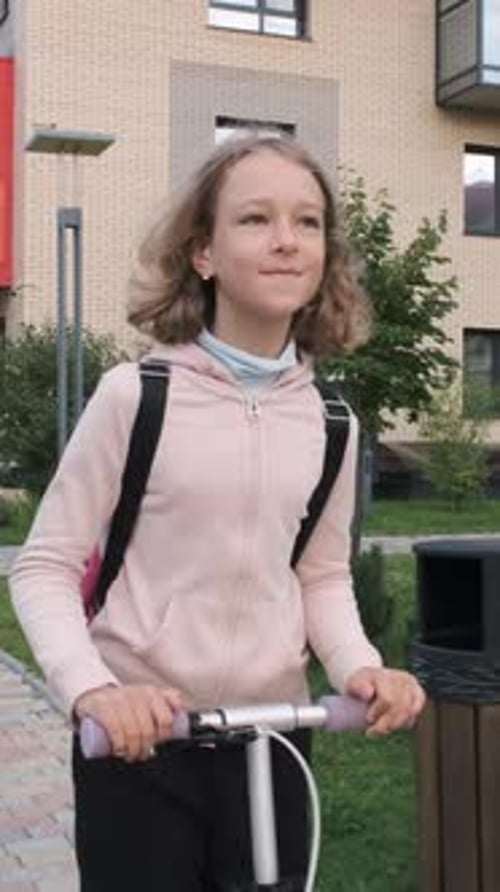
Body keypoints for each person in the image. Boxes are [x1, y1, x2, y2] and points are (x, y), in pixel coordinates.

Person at [9, 133, 425, 891]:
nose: (286, 240)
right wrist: (93, 690)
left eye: (307, 222)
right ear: (203, 252)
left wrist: (361, 667)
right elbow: (44, 566)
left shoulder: (332, 423)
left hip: (276, 745)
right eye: (255, 219)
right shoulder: (137, 397)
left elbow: (321, 576)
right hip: (139, 745)